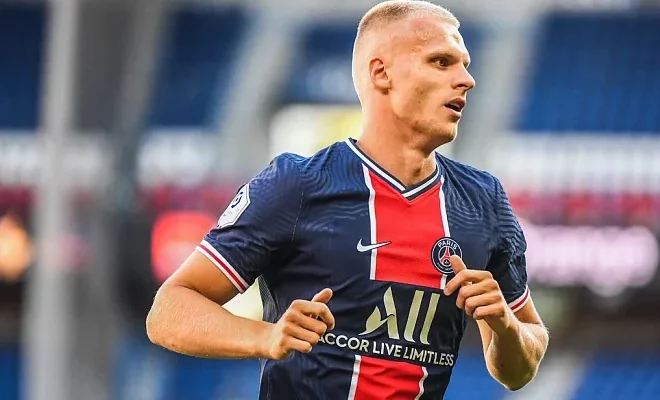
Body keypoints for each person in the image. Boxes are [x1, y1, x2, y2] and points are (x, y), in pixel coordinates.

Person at [145, 1, 549, 398]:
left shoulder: (485, 201)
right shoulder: (298, 185)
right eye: (441, 62)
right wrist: (265, 337)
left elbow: (521, 368)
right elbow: (169, 311)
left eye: (465, 65)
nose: (466, 80)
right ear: (381, 73)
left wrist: (505, 327)